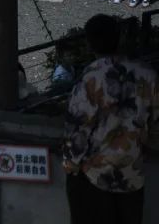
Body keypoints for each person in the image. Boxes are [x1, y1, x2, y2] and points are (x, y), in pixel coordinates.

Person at [64, 15, 158, 224]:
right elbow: (155, 126)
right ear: (120, 38)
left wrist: (71, 165)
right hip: (132, 174)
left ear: (89, 42)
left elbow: (78, 129)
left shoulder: (91, 78)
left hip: (93, 175)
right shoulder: (147, 75)